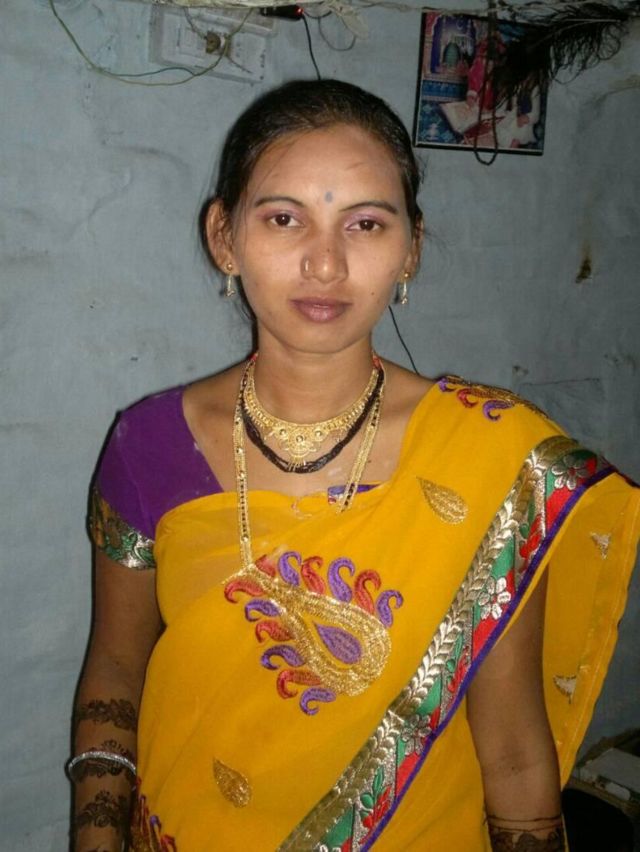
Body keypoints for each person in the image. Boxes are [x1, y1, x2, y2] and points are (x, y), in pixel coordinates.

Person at [68, 79, 640, 852]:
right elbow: (114, 671)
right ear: (224, 237)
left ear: (411, 250)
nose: (325, 263)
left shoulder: (491, 458)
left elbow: (511, 748)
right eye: (283, 219)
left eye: (366, 224)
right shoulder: (149, 445)